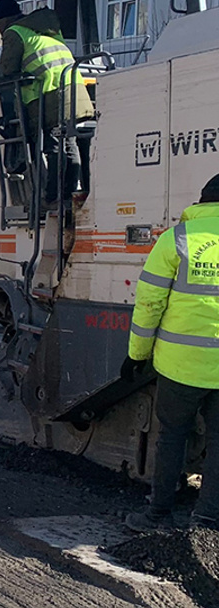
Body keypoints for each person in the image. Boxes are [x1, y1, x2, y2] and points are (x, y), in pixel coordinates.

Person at [124, 173, 219, 532]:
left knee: (172, 438)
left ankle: (158, 515)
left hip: (180, 367)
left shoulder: (176, 240)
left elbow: (149, 304)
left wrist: (136, 355)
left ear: (202, 202)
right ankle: (208, 521)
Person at [0, 0, 93, 204]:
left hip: (50, 92)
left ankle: (54, 195)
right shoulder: (46, 29)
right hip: (75, 88)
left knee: (54, 144)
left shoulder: (15, 32)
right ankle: (71, 192)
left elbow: (8, 68)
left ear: (1, 21)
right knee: (70, 140)